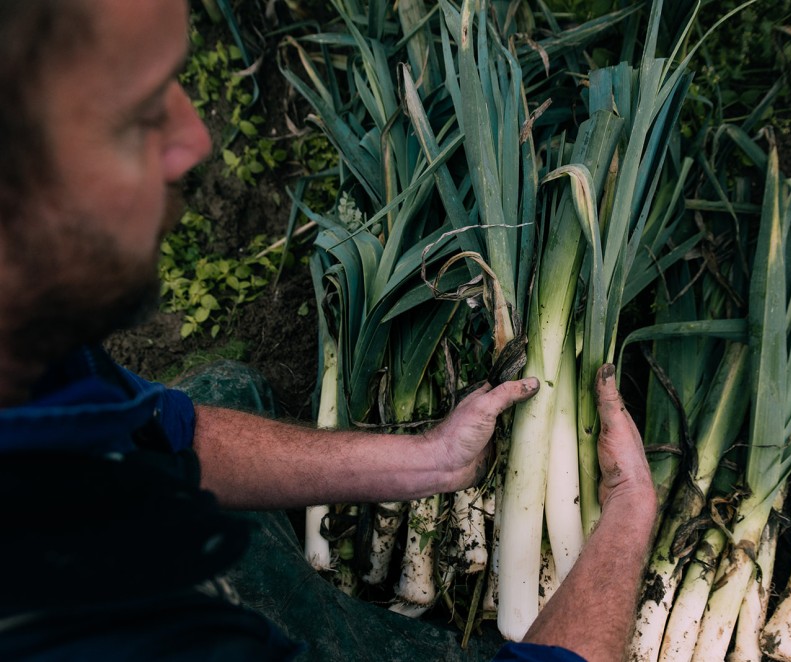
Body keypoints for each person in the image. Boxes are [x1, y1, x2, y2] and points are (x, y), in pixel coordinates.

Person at [0, 1, 658, 660]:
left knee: (221, 392)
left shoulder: (32, 345)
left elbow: (164, 435)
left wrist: (433, 459)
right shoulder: (94, 632)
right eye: (135, 113)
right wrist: (627, 519)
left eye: (181, 82)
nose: (196, 139)